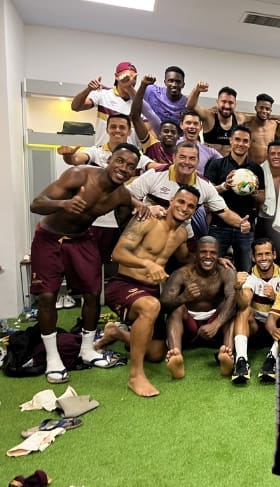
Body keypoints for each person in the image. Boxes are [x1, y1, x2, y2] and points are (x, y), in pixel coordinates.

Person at [29, 143, 146, 384]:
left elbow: (129, 215)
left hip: (81, 239)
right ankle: (52, 357)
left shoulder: (122, 196)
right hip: (49, 237)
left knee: (92, 294)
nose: (123, 168)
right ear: (109, 160)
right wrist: (63, 204)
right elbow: (37, 203)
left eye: (130, 166)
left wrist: (144, 209)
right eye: (120, 161)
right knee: (47, 296)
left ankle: (87, 349)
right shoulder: (79, 175)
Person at [105, 185, 200, 397]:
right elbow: (118, 253)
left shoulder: (182, 234)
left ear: (194, 210)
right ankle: (135, 376)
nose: (184, 208)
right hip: (124, 284)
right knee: (151, 306)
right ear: (171, 200)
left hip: (149, 291)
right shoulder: (147, 219)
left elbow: (186, 258)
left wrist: (216, 260)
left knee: (156, 353)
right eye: (181, 201)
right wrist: (147, 264)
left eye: (191, 206)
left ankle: (116, 333)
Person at [57, 114, 154, 264]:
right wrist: (68, 156)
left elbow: (156, 167)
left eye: (122, 127)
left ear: (129, 131)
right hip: (95, 222)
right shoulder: (95, 151)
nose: (117, 130)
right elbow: (76, 159)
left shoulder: (136, 156)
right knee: (89, 266)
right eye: (113, 127)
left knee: (117, 265)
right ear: (107, 129)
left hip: (123, 223)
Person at [127, 141, 250, 240]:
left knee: (191, 257)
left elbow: (225, 212)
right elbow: (126, 196)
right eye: (182, 157)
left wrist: (241, 223)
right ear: (174, 158)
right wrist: (146, 208)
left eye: (192, 158)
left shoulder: (204, 185)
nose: (187, 162)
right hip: (148, 230)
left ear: (198, 162)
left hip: (181, 235)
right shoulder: (154, 175)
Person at [159, 236, 237, 380]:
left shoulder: (226, 272)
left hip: (215, 326)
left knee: (230, 305)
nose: (208, 256)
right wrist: (183, 298)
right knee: (176, 309)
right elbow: (163, 304)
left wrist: (216, 324)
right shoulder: (182, 274)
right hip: (189, 326)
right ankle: (176, 355)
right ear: (195, 254)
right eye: (203, 252)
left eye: (213, 253)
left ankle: (227, 354)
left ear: (218, 255)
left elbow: (233, 299)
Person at [232, 238, 280, 383]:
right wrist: (237, 288)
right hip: (256, 328)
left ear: (274, 255)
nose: (264, 258)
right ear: (253, 257)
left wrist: (275, 298)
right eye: (259, 255)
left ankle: (272, 359)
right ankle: (241, 361)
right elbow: (243, 304)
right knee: (244, 311)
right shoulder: (249, 276)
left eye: (267, 253)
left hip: (278, 326)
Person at [204, 126, 265, 271]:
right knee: (211, 269)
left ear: (249, 144)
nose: (241, 144)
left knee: (244, 270)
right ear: (231, 140)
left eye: (245, 141)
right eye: (237, 139)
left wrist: (254, 192)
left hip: (245, 228)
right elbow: (207, 193)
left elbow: (262, 198)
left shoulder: (256, 169)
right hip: (219, 226)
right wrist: (225, 186)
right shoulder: (216, 164)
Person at [70, 61, 141, 147]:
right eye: (127, 77)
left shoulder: (139, 104)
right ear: (116, 76)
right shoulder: (103, 94)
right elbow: (75, 107)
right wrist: (88, 90)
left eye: (134, 78)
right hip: (102, 153)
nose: (131, 81)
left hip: (129, 153)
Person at [256, 141, 280, 267]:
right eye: (273, 153)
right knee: (262, 256)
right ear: (267, 155)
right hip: (264, 219)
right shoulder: (259, 171)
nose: (276, 156)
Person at [131, 75, 181, 168]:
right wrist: (143, 86)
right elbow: (135, 117)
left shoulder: (181, 156)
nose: (169, 134)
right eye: (166, 131)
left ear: (178, 137)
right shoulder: (151, 145)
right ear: (160, 135)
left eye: (173, 132)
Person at [186, 83, 245, 156]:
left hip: (228, 162)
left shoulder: (240, 119)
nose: (227, 106)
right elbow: (190, 106)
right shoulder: (209, 117)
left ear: (235, 104)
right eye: (223, 102)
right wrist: (197, 90)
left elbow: (254, 119)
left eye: (230, 103)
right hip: (210, 161)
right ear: (217, 102)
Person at [244, 93, 280, 164]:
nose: (264, 111)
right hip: (252, 165)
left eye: (267, 109)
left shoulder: (274, 125)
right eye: (261, 108)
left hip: (269, 166)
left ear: (271, 111)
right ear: (255, 108)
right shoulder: (247, 125)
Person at [178, 109, 221, 175]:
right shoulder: (173, 145)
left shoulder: (207, 150)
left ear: (201, 127)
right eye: (188, 123)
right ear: (181, 125)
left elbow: (225, 164)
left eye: (195, 123)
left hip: (197, 181)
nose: (192, 126)